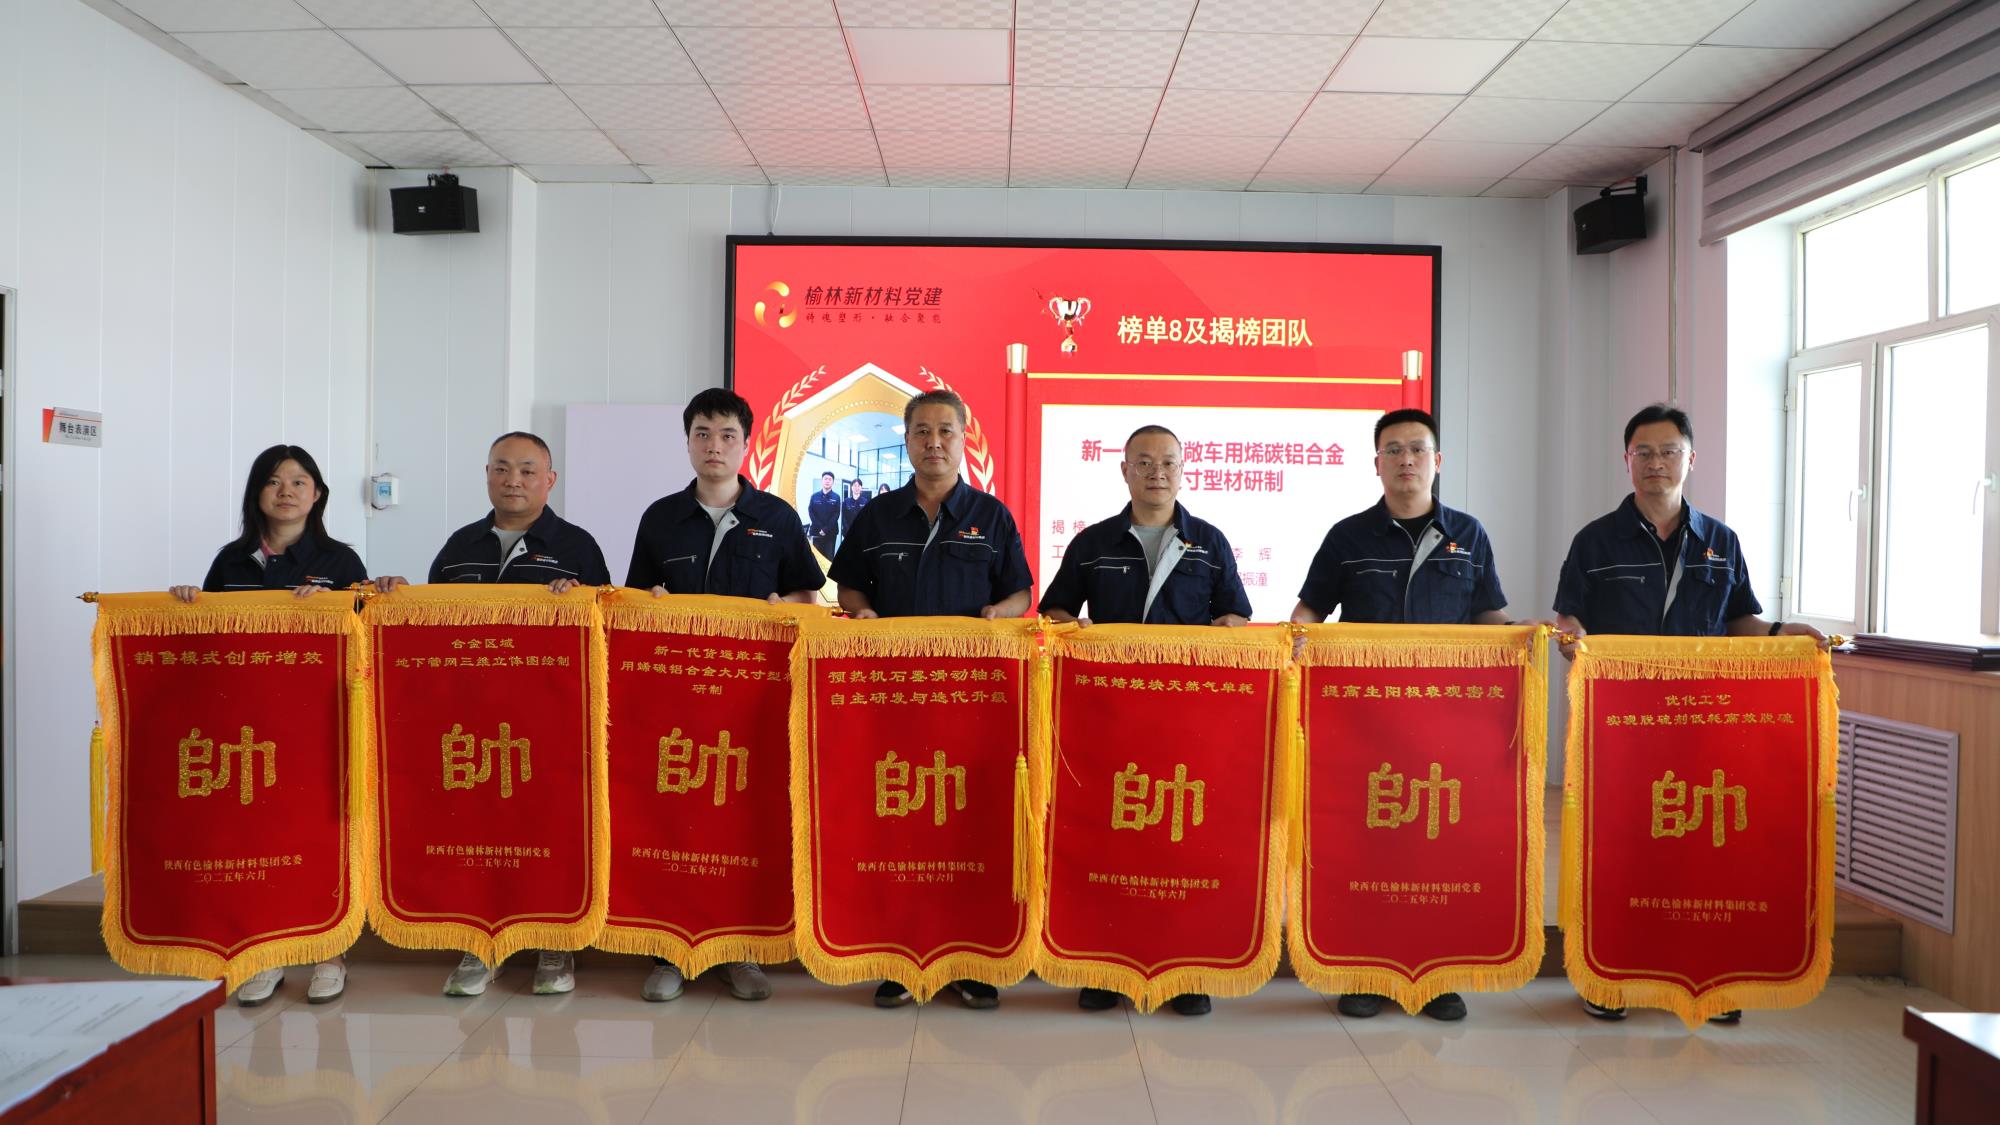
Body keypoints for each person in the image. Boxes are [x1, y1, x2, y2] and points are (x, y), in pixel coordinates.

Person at [1554, 403, 1826, 1025]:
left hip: (1702, 724)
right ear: (1627, 461)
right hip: (1619, 725)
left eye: (1669, 451)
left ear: (1691, 459)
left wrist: (1783, 634)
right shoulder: (1594, 541)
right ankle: (1609, 974)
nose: (1657, 463)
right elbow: (1571, 616)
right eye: (1644, 453)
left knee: (1699, 848)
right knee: (1618, 844)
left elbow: (1741, 623)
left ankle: (1707, 971)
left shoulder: (1720, 542)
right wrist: (1569, 638)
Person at [1288, 408, 1515, 1024]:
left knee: (1439, 846)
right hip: (1365, 724)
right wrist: (1295, 639)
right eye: (1393, 450)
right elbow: (1310, 612)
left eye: (1417, 449)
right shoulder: (1348, 537)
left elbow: (1489, 620)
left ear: (1436, 461)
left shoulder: (1469, 534)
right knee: (1366, 846)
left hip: (1446, 726)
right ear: (1377, 463)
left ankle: (1437, 975)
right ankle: (1364, 970)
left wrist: (1520, 638)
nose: (1406, 460)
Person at [375, 431, 611, 998]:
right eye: (502, 468)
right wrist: (396, 595)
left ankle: (556, 943)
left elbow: (606, 627)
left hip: (549, 725)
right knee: (475, 831)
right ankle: (481, 942)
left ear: (550, 480)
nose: (514, 480)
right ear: (486, 475)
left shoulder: (576, 546)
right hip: (471, 725)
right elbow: (430, 624)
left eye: (528, 470)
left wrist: (579, 598)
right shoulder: (460, 546)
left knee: (550, 829)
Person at [1039, 424, 1251, 1018]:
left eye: (1168, 462)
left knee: (1180, 844)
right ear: (1124, 470)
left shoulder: (1208, 541)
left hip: (1186, 722)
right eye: (1144, 462)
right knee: (1110, 841)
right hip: (1109, 719)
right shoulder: (1094, 542)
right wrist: (1072, 627)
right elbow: (1055, 608)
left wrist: (1224, 632)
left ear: (1183, 470)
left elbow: (1235, 614)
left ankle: (1184, 970)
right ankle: (1103, 967)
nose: (1157, 472)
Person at [831, 390, 1033, 1010]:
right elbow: (849, 587)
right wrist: (862, 613)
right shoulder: (877, 516)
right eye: (922, 431)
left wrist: (1001, 613)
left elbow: (1021, 593)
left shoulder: (990, 515)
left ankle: (971, 960)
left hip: (971, 703)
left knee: (966, 827)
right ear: (908, 438)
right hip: (891, 700)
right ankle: (900, 956)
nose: (934, 441)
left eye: (946, 430)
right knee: (899, 827)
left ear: (964, 438)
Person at [624, 387, 822, 1003]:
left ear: (746, 444)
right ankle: (670, 951)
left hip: (749, 705)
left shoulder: (778, 518)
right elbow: (632, 602)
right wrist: (651, 604)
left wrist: (781, 606)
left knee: (740, 823)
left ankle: (740, 951)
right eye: (703, 434)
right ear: (688, 442)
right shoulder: (660, 518)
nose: (714, 446)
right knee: (674, 822)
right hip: (675, 706)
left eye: (727, 435)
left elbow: (808, 598)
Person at [171, 444, 370, 1006]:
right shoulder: (230, 562)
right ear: (256, 492)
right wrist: (187, 603)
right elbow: (207, 642)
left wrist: (331, 607)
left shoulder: (340, 562)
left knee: (320, 837)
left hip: (317, 727)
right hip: (247, 730)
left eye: (299, 481)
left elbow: (367, 637)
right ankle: (265, 953)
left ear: (317, 494)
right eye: (274, 481)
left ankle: (330, 952)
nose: (286, 491)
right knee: (257, 836)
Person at [808, 471, 840, 558]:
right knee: (816, 558)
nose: (827, 481)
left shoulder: (836, 497)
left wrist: (825, 529)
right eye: (825, 479)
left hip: (830, 533)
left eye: (830, 479)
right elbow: (811, 512)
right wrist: (820, 528)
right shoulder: (814, 496)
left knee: (829, 558)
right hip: (816, 532)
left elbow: (836, 514)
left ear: (833, 482)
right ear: (822, 481)